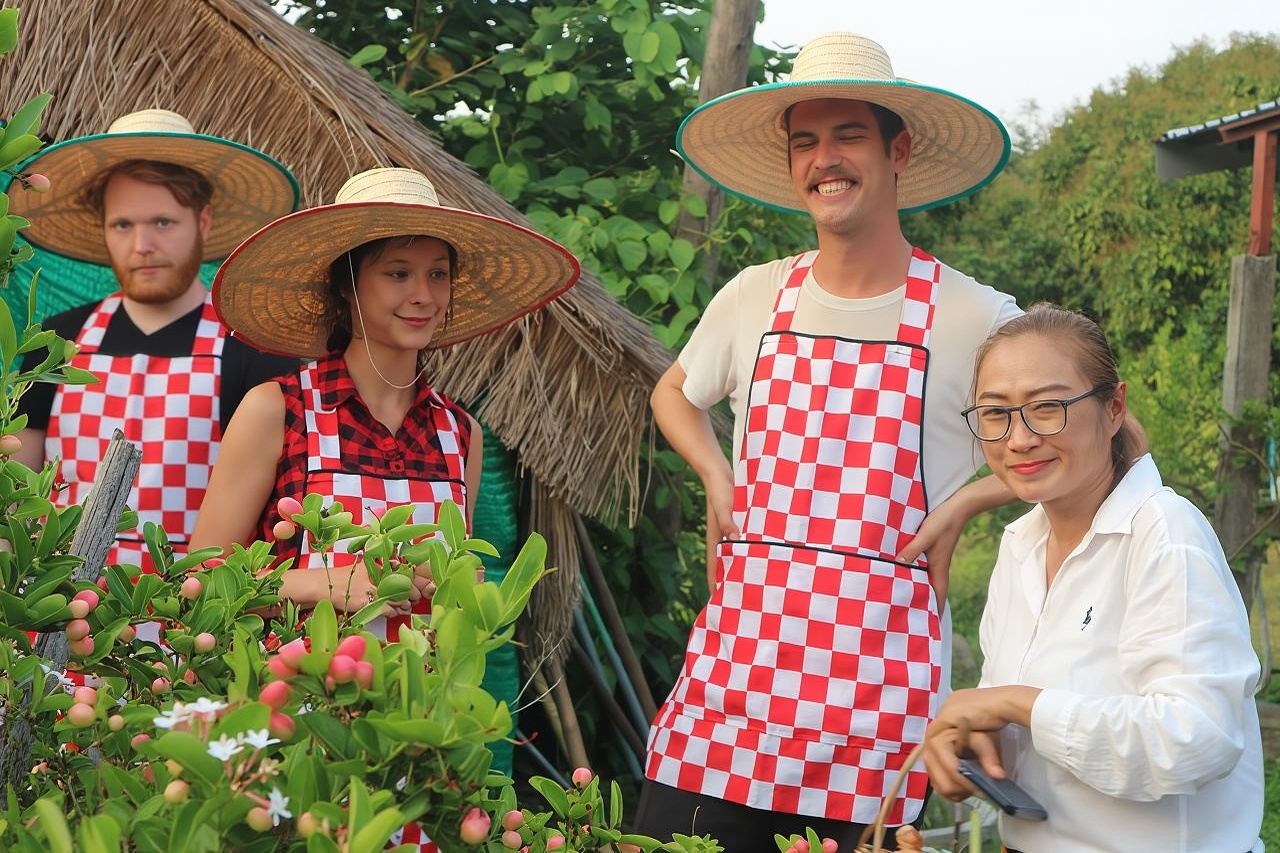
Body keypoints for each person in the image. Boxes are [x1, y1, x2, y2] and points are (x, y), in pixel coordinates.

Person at [639, 32, 1022, 848]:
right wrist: (716, 471)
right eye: (805, 141)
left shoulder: (973, 316)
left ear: (898, 150)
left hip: (876, 720)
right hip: (731, 699)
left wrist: (970, 500)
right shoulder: (755, 297)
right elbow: (673, 392)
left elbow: (1102, 433)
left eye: (847, 134)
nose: (825, 159)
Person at [922, 304, 1264, 853]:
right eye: (995, 413)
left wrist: (1016, 703)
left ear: (1114, 408)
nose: (1020, 439)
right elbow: (1038, 737)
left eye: (1048, 407)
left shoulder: (1164, 534)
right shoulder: (1019, 546)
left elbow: (1197, 739)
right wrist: (975, 741)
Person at [189, 167, 580, 644]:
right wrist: (325, 584)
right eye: (398, 273)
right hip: (295, 702)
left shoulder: (459, 433)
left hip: (420, 707)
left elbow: (458, 596)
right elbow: (202, 583)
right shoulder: (279, 409)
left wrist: (459, 590)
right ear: (345, 285)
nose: (423, 296)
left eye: (438, 274)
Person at [12, 109, 299, 578]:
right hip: (52, 604)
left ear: (202, 221)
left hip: (187, 621)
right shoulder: (58, 338)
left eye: (163, 222)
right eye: (123, 225)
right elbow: (18, 498)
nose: (142, 244)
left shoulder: (254, 352)